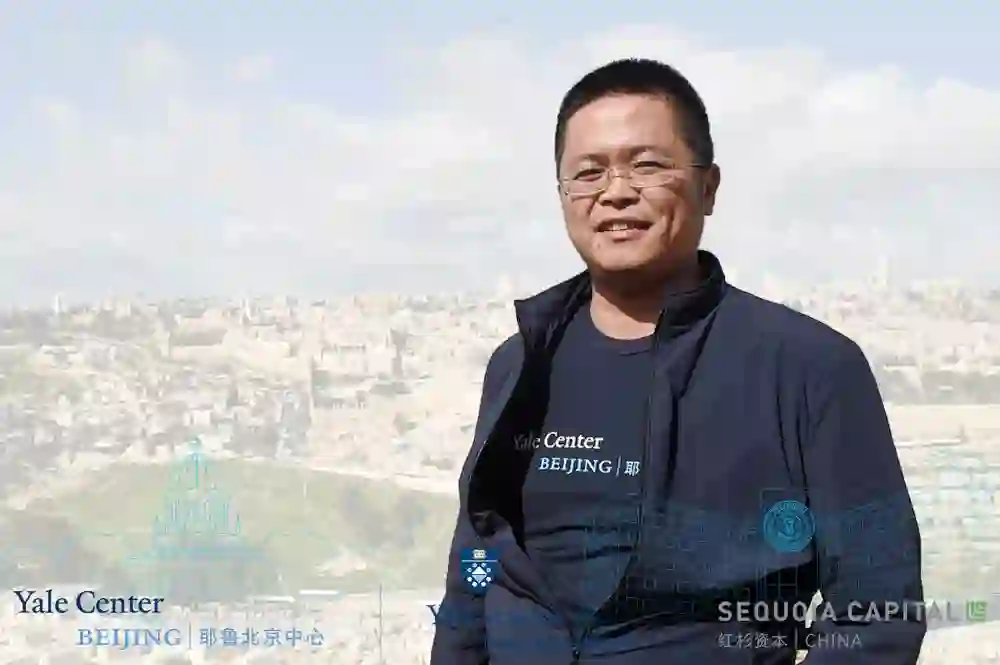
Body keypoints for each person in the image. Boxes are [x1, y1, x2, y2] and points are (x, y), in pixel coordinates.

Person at [430, 58, 925, 665]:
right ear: (563, 196)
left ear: (708, 187)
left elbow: (878, 610)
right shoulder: (520, 364)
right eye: (588, 172)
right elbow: (476, 563)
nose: (615, 191)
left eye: (647, 165)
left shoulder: (808, 368)